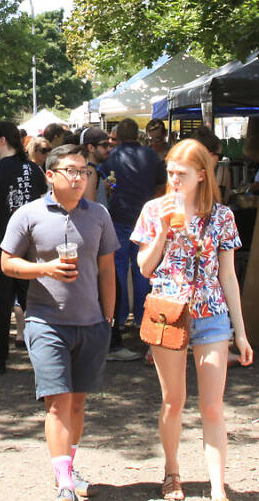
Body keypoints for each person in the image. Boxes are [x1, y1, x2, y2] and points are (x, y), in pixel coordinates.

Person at [133, 139, 253, 501]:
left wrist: (241, 333)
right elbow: (144, 267)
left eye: (181, 174)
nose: (174, 180)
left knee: (212, 404)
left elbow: (228, 277)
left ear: (202, 175)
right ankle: (172, 472)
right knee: (174, 400)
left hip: (211, 314)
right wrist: (164, 230)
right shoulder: (154, 210)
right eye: (170, 173)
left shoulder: (222, 215)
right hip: (168, 313)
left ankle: (218, 487)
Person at [0, 144, 117, 501]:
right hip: (45, 322)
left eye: (85, 171)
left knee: (78, 403)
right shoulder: (29, 214)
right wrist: (44, 269)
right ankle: (64, 481)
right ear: (50, 175)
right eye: (72, 170)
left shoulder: (98, 214)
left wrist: (108, 317)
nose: (80, 177)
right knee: (57, 402)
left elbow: (107, 267)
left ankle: (69, 466)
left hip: (91, 323)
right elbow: (7, 263)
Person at [0, 120, 47, 374]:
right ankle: (48, 356)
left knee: (2, 302)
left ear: (2, 140)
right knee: (34, 301)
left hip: (2, 246)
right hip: (32, 244)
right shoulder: (35, 170)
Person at [88, 118, 166, 362]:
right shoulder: (152, 156)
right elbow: (162, 185)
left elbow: (107, 180)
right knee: (145, 270)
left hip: (119, 215)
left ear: (118, 136)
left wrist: (117, 187)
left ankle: (119, 317)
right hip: (145, 216)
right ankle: (143, 318)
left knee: (118, 269)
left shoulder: (112, 157)